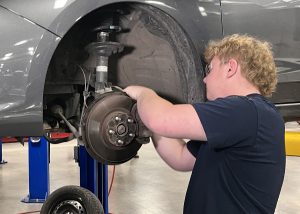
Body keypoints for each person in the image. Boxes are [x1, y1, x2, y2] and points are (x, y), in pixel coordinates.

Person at [124, 34, 285, 214]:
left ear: (230, 68)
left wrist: (144, 93)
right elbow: (180, 157)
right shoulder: (241, 119)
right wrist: (148, 117)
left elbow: (161, 119)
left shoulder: (247, 111)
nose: (204, 79)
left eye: (210, 69)